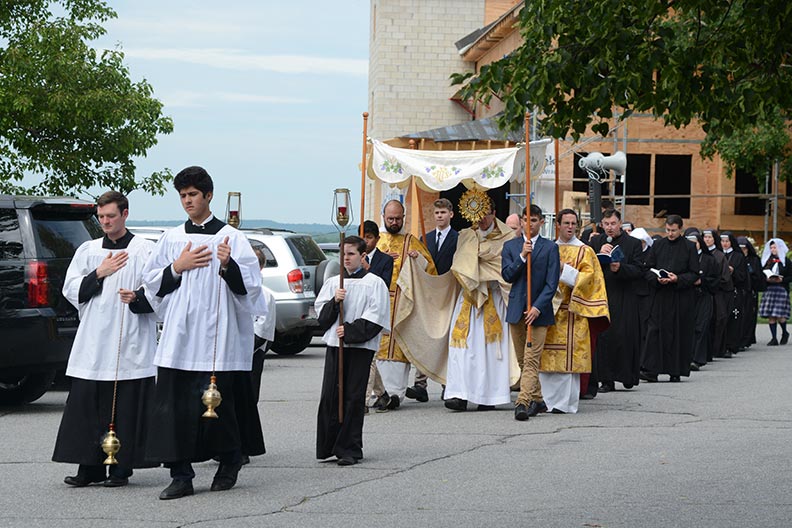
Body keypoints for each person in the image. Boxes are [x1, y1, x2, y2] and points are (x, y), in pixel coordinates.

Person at [142, 166, 267, 500]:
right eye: (183, 196)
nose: (187, 201)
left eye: (193, 195)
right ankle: (180, 475)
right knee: (174, 409)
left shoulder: (232, 238)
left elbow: (252, 290)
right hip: (180, 337)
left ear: (208, 196)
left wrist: (228, 266)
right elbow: (151, 282)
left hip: (218, 338)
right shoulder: (172, 238)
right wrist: (176, 267)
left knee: (220, 407)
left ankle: (229, 462)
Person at [53, 191, 158, 488]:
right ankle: (90, 468)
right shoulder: (88, 250)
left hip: (130, 339)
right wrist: (99, 273)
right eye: (101, 217)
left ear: (125, 214)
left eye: (111, 216)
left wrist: (137, 297)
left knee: (126, 405)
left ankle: (121, 469)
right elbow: (71, 289)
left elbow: (157, 290)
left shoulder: (144, 250)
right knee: (87, 405)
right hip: (95, 340)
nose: (105, 222)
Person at [315, 236, 390, 465]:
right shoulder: (333, 283)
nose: (346, 259)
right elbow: (321, 317)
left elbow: (377, 316)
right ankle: (329, 445)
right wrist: (333, 302)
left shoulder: (374, 283)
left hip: (359, 348)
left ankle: (349, 448)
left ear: (362, 256)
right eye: (343, 254)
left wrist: (349, 330)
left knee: (353, 397)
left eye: (351, 254)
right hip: (334, 347)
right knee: (331, 395)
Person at [443, 195, 516, 411]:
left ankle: (488, 396)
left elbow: (505, 267)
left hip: (493, 296)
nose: (482, 219)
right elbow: (460, 264)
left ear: (494, 213)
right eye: (478, 215)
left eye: (486, 214)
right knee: (462, 348)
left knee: (490, 350)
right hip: (469, 297)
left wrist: (482, 266)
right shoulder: (466, 236)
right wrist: (472, 269)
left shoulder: (508, 237)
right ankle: (459, 394)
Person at [540, 209, 609, 413]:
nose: (570, 227)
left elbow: (590, 280)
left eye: (573, 223)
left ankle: (564, 403)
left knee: (568, 360)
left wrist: (564, 269)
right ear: (558, 225)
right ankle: (545, 400)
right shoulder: (548, 248)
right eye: (566, 223)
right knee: (545, 357)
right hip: (548, 310)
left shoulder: (584, 251)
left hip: (572, 311)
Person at [374, 200, 436, 410]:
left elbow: (430, 270)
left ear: (404, 218)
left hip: (402, 305)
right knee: (377, 347)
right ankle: (375, 392)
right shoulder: (376, 241)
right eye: (390, 218)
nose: (394, 222)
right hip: (379, 302)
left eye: (398, 219)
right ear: (383, 217)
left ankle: (395, 394)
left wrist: (417, 260)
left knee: (398, 349)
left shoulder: (412, 242)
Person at [502, 204, 560, 421]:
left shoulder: (550, 248)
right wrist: (522, 256)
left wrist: (538, 307)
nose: (529, 224)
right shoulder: (511, 246)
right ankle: (539, 399)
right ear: (521, 221)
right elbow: (507, 275)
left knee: (532, 359)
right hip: (517, 309)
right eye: (526, 220)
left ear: (541, 222)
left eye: (534, 220)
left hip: (538, 312)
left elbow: (551, 283)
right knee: (522, 360)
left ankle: (523, 401)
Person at [406, 198, 457, 403]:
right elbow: (424, 266)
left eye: (443, 212)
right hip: (429, 295)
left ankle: (448, 384)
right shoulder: (424, 239)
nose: (440, 216)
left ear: (451, 214)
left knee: (447, 339)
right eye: (437, 213)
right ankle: (420, 385)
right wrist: (416, 257)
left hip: (449, 293)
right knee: (426, 336)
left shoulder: (459, 238)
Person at [589, 209, 643, 392]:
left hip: (625, 296)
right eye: (606, 224)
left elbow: (639, 270)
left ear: (620, 223)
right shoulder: (596, 242)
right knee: (604, 338)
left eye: (613, 223)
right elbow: (586, 266)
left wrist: (620, 268)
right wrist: (597, 254)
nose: (609, 228)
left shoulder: (633, 243)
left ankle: (627, 376)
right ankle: (607, 380)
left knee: (624, 337)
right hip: (602, 295)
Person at [640, 214, 699, 382]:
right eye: (668, 230)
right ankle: (651, 370)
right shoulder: (658, 245)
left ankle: (676, 370)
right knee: (655, 331)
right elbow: (648, 269)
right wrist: (657, 279)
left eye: (673, 230)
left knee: (678, 333)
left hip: (680, 297)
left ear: (680, 229)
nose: (670, 234)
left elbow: (694, 273)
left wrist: (677, 279)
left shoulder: (689, 247)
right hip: (661, 296)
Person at [360, 220, 393, 410]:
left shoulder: (385, 260)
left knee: (370, 357)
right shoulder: (355, 257)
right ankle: (382, 394)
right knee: (367, 355)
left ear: (377, 239)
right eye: (363, 237)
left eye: (369, 237)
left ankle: (363, 401)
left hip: (376, 313)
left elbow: (384, 285)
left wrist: (368, 269)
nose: (366, 241)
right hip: (359, 311)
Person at [684, 228, 720, 371]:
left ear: (700, 243)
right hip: (687, 296)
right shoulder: (684, 258)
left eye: (696, 242)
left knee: (701, 327)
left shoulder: (709, 259)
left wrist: (702, 281)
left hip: (703, 296)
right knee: (687, 327)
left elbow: (716, 280)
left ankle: (696, 359)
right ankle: (686, 357)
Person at [251, 247, 276, 403]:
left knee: (249, 398)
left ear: (260, 267)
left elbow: (262, 332)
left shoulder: (265, 295)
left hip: (252, 353)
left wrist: (243, 348)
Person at [702, 229, 732, 359]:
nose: (707, 239)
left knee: (719, 319)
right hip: (703, 292)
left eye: (709, 237)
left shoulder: (720, 256)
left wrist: (712, 283)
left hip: (718, 292)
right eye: (705, 237)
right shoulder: (700, 254)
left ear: (714, 239)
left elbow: (725, 277)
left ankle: (717, 348)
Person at [629, 227, 654, 374]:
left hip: (646, 294)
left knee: (644, 329)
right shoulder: (632, 252)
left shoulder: (650, 253)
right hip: (632, 294)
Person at [759, 238, 792, 346]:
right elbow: (762, 274)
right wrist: (766, 279)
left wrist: (783, 280)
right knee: (771, 315)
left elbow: (790, 276)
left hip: (781, 289)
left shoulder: (786, 261)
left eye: (775, 247)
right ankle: (774, 338)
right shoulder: (767, 261)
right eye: (771, 248)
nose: (773, 250)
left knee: (779, 314)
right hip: (770, 289)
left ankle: (785, 332)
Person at [721, 231, 748, 356]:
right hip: (721, 291)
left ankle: (730, 346)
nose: (724, 244)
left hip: (735, 291)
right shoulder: (718, 254)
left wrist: (733, 271)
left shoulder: (738, 256)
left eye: (727, 241)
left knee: (733, 319)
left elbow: (743, 276)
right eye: (722, 241)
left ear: (731, 242)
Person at [739, 236, 764, 350]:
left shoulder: (754, 260)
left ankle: (746, 339)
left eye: (744, 248)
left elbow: (758, 276)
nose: (743, 251)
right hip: (739, 291)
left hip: (750, 291)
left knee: (749, 316)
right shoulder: (737, 258)